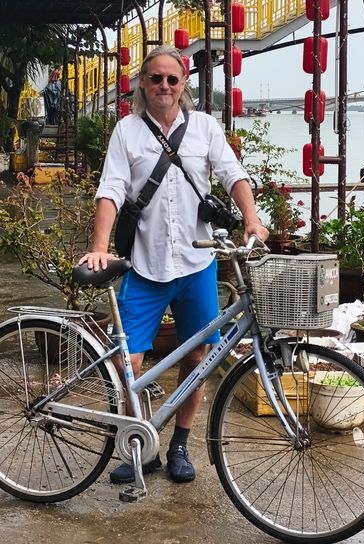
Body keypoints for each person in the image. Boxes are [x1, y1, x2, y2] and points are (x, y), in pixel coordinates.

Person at [79, 45, 269, 485]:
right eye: (155, 79)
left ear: (184, 85)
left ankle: (181, 444)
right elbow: (110, 189)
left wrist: (252, 219)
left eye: (172, 79)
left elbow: (233, 174)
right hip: (143, 265)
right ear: (142, 85)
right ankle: (140, 446)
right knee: (131, 362)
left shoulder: (204, 127)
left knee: (199, 356)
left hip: (197, 260)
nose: (164, 86)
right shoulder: (126, 132)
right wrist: (100, 246)